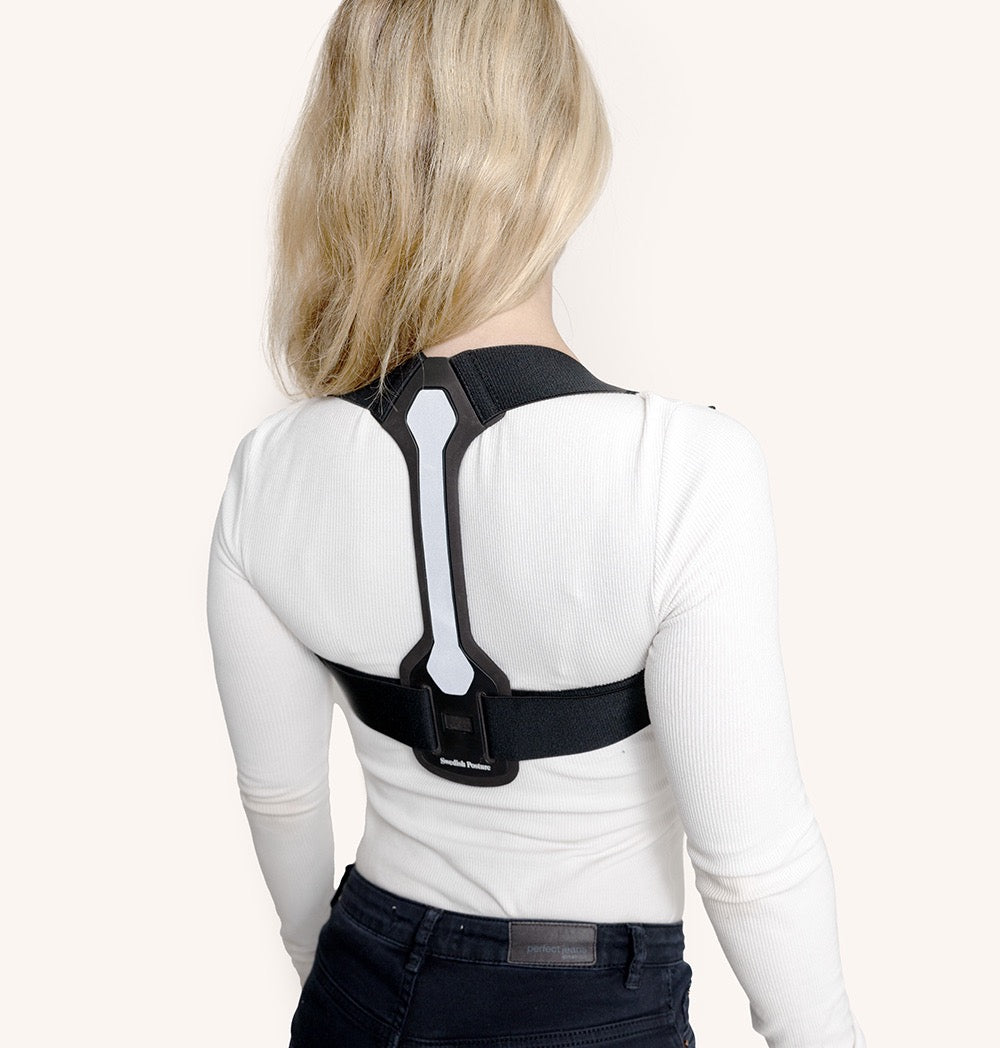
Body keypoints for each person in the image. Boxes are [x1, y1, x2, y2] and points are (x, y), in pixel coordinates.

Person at [205, 2, 867, 1046]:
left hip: (360, 981)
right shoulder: (681, 468)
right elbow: (751, 868)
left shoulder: (266, 474)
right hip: (589, 1000)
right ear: (561, 152)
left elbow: (281, 801)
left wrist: (328, 974)